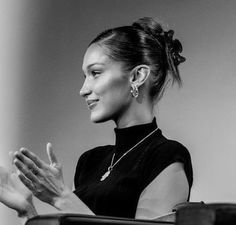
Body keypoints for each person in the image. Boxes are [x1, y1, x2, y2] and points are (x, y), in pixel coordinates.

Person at [0, 17, 193, 223]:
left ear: (137, 76)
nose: (83, 90)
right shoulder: (90, 162)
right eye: (85, 76)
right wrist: (26, 210)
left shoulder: (167, 157)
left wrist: (61, 197)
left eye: (95, 73)